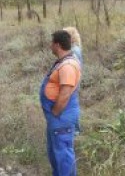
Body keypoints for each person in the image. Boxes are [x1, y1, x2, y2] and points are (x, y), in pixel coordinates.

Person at [40, 30, 81, 175]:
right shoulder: (63, 62)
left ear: (57, 45)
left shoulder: (68, 66)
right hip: (57, 117)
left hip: (61, 116)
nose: (50, 46)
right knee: (56, 154)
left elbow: (65, 93)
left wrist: (56, 112)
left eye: (52, 43)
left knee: (63, 155)